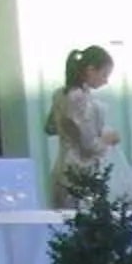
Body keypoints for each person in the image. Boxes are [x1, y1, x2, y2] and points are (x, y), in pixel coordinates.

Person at [47, 46, 119, 208]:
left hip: (62, 165)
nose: (105, 80)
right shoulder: (79, 98)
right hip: (79, 171)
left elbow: (50, 127)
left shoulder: (60, 93)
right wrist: (107, 138)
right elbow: (88, 145)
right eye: (104, 75)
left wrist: (67, 130)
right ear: (90, 70)